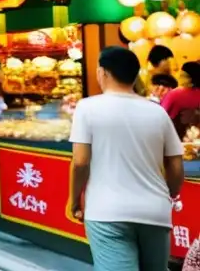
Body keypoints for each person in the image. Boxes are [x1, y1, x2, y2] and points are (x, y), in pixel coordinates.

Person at [70, 46, 184, 270]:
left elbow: (81, 162)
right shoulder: (157, 111)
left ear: (103, 72)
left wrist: (73, 200)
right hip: (155, 211)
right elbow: (175, 163)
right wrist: (168, 193)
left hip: (107, 212)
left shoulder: (87, 108)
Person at [161, 62, 200, 136]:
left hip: (173, 134)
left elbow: (161, 114)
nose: (179, 77)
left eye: (182, 75)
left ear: (190, 78)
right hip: (192, 134)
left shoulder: (175, 93)